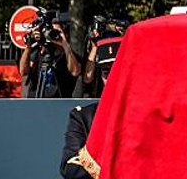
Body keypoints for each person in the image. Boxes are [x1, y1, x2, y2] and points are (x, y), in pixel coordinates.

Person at [60, 37, 120, 178]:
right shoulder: (83, 117)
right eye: (106, 72)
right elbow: (70, 168)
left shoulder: (147, 114)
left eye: (117, 70)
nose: (111, 78)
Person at [19, 14, 82, 98]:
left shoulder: (70, 56)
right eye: (50, 31)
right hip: (35, 104)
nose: (52, 34)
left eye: (57, 32)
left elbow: (75, 72)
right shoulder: (37, 53)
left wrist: (65, 45)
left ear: (65, 34)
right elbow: (23, 71)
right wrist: (29, 45)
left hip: (59, 104)